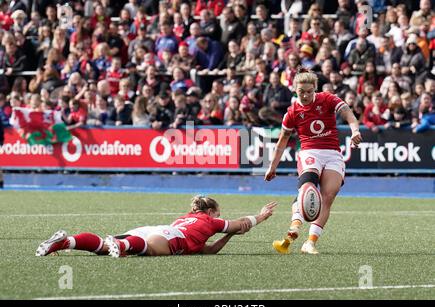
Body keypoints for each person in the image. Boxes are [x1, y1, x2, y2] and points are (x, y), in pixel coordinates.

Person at [264, 68, 362, 255]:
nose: (306, 95)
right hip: (310, 152)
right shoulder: (292, 112)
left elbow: (348, 114)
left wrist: (355, 131)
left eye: (310, 91)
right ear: (295, 90)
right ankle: (295, 226)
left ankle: (310, 242)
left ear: (315, 88)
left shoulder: (327, 99)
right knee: (308, 187)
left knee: (328, 195)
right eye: (302, 91)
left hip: (333, 153)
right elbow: (282, 142)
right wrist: (272, 166)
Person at [36, 196, 277, 257]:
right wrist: (262, 216)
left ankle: (67, 241)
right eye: (219, 214)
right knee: (146, 251)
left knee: (102, 246)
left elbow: (209, 250)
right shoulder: (209, 221)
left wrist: (230, 236)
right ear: (211, 211)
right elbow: (243, 224)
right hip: (170, 237)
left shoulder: (186, 218)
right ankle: (120, 244)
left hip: (155, 229)